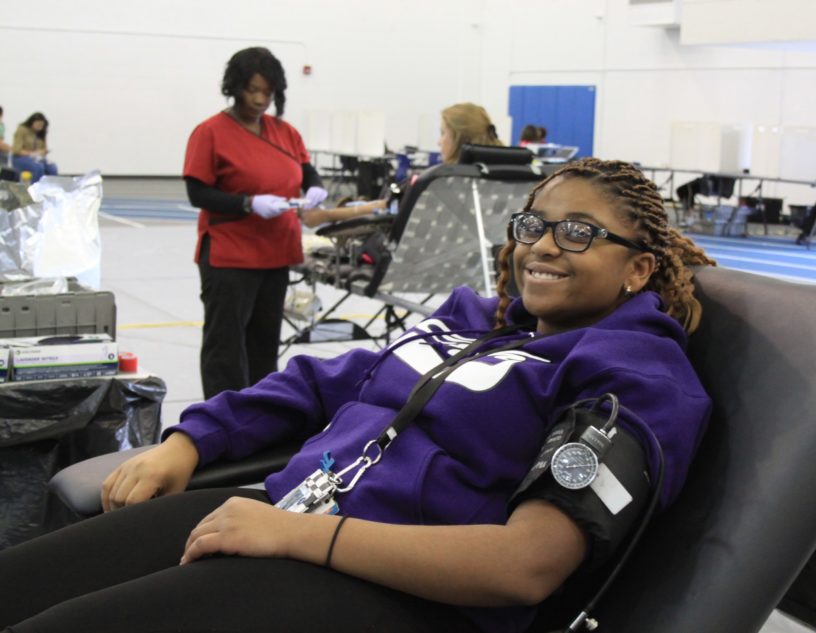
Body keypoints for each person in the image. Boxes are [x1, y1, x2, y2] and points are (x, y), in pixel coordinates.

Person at [0, 158, 714, 633]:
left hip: (401, 594)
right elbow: (321, 379)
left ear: (638, 268)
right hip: (292, 518)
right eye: (533, 225)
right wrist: (191, 440)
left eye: (580, 233)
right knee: (18, 584)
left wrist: (302, 535)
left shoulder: (636, 378)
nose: (544, 246)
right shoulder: (477, 324)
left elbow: (526, 564)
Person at [183, 47, 328, 400]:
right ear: (235, 87)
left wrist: (315, 187)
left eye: (268, 92)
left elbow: (306, 169)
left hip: (275, 254)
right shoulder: (210, 132)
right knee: (226, 349)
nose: (261, 99)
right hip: (231, 256)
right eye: (253, 90)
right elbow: (197, 193)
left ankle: (262, 416)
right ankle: (220, 421)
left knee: (264, 346)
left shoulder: (285, 132)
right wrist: (247, 204)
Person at [298, 102, 504, 229]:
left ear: (459, 138)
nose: (439, 142)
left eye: (443, 133)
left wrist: (326, 215)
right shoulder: (504, 179)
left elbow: (385, 208)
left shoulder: (438, 180)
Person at [12, 112, 58, 183]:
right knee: (38, 167)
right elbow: (17, 150)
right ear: (32, 122)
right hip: (20, 158)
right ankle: (34, 189)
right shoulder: (22, 129)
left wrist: (43, 152)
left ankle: (51, 189)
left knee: (52, 167)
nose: (40, 127)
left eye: (42, 126)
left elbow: (44, 149)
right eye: (38, 124)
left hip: (37, 158)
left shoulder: (41, 132)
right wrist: (32, 153)